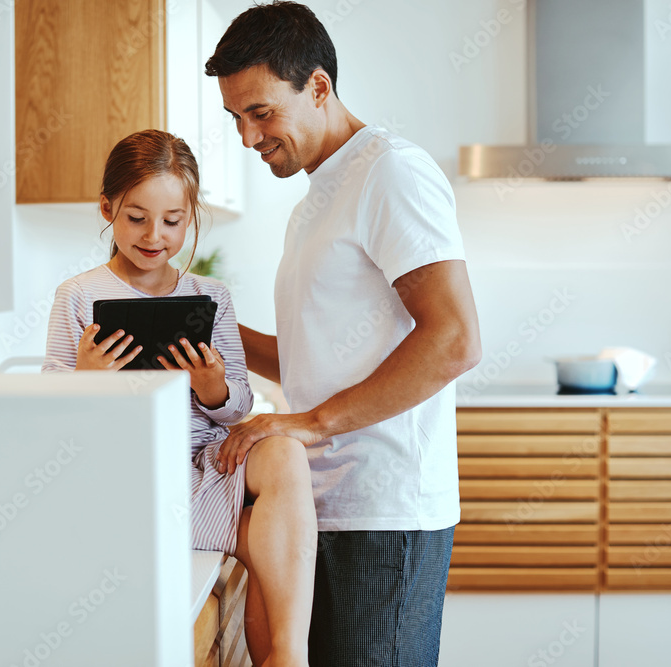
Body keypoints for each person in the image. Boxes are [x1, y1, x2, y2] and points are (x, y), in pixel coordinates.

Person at [205, 3, 482, 666]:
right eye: (235, 118)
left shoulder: (390, 171)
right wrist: (208, 333)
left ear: (320, 87)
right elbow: (309, 355)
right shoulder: (315, 200)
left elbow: (455, 338)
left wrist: (311, 423)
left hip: (383, 512)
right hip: (325, 502)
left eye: (261, 112)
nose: (247, 136)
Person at [42, 129, 317, 667]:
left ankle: (289, 657)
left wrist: (213, 389)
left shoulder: (209, 296)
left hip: (207, 466)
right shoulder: (77, 295)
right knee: (266, 546)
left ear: (191, 216)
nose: (154, 235)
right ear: (107, 208)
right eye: (136, 217)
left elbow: (238, 404)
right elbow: (52, 417)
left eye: (172, 220)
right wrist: (84, 377)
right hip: (129, 480)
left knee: (285, 450)